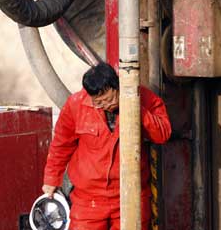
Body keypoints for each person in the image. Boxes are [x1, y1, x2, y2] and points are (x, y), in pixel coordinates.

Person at [42, 62, 171, 230]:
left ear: (117, 87)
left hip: (130, 196)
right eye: (98, 103)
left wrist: (134, 106)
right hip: (89, 200)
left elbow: (163, 134)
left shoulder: (143, 98)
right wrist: (51, 179)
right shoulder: (76, 105)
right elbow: (61, 145)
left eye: (109, 99)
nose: (106, 105)